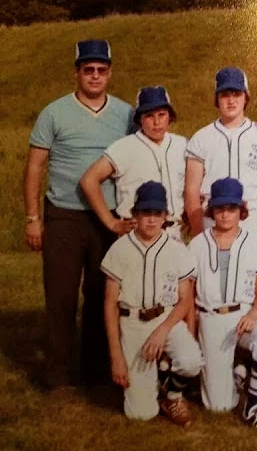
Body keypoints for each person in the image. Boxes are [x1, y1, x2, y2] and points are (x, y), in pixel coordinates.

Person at [23, 39, 133, 390]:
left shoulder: (126, 114)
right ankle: (57, 372)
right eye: (88, 69)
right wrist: (33, 218)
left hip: (108, 216)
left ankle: (96, 371)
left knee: (102, 292)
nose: (95, 76)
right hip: (64, 216)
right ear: (77, 73)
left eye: (102, 69)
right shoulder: (54, 112)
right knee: (61, 294)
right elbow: (35, 167)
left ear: (110, 72)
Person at [101, 181, 203, 426]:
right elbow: (109, 304)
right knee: (140, 414)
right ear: (135, 214)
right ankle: (155, 377)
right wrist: (116, 356)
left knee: (191, 361)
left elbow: (185, 300)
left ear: (165, 216)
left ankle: (172, 395)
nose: (151, 219)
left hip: (166, 318)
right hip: (133, 322)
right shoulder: (120, 248)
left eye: (157, 213)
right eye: (145, 212)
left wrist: (162, 331)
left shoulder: (177, 250)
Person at [188, 178, 257, 431]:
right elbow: (188, 295)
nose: (225, 214)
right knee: (218, 406)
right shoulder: (197, 244)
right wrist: (191, 332)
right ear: (211, 210)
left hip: (242, 315)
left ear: (241, 210)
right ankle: (237, 374)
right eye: (219, 208)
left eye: (231, 208)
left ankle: (253, 406)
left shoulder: (254, 244)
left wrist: (254, 313)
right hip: (210, 317)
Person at [184, 67, 257, 256]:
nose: (231, 100)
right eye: (225, 95)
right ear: (217, 99)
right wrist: (197, 232)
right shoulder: (201, 138)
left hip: (253, 220)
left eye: (236, 94)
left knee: (253, 272)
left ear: (246, 97)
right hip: (213, 217)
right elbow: (192, 190)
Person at [81, 86, 188, 242]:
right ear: (139, 119)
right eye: (149, 116)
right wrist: (112, 223)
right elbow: (89, 180)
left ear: (170, 116)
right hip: (136, 234)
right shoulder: (124, 147)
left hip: (174, 233)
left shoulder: (182, 144)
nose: (156, 122)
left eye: (162, 115)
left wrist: (191, 213)